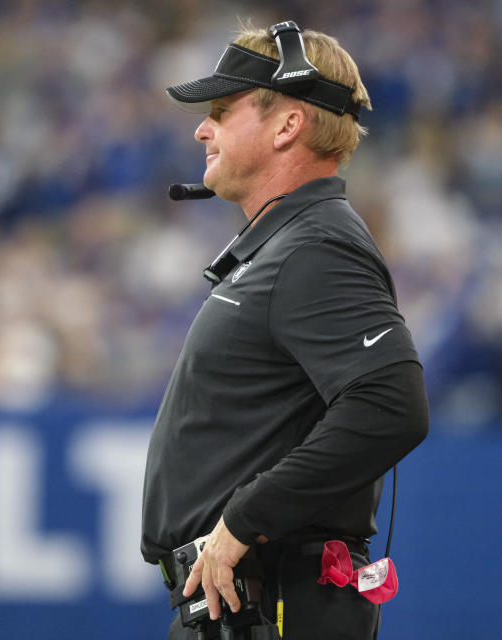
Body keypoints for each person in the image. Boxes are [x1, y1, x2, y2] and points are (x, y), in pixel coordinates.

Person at [141, 21, 429, 640]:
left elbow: (392, 406)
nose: (201, 128)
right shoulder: (289, 244)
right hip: (250, 604)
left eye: (221, 109)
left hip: (274, 604)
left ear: (288, 125)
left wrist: (244, 520)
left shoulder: (316, 244)